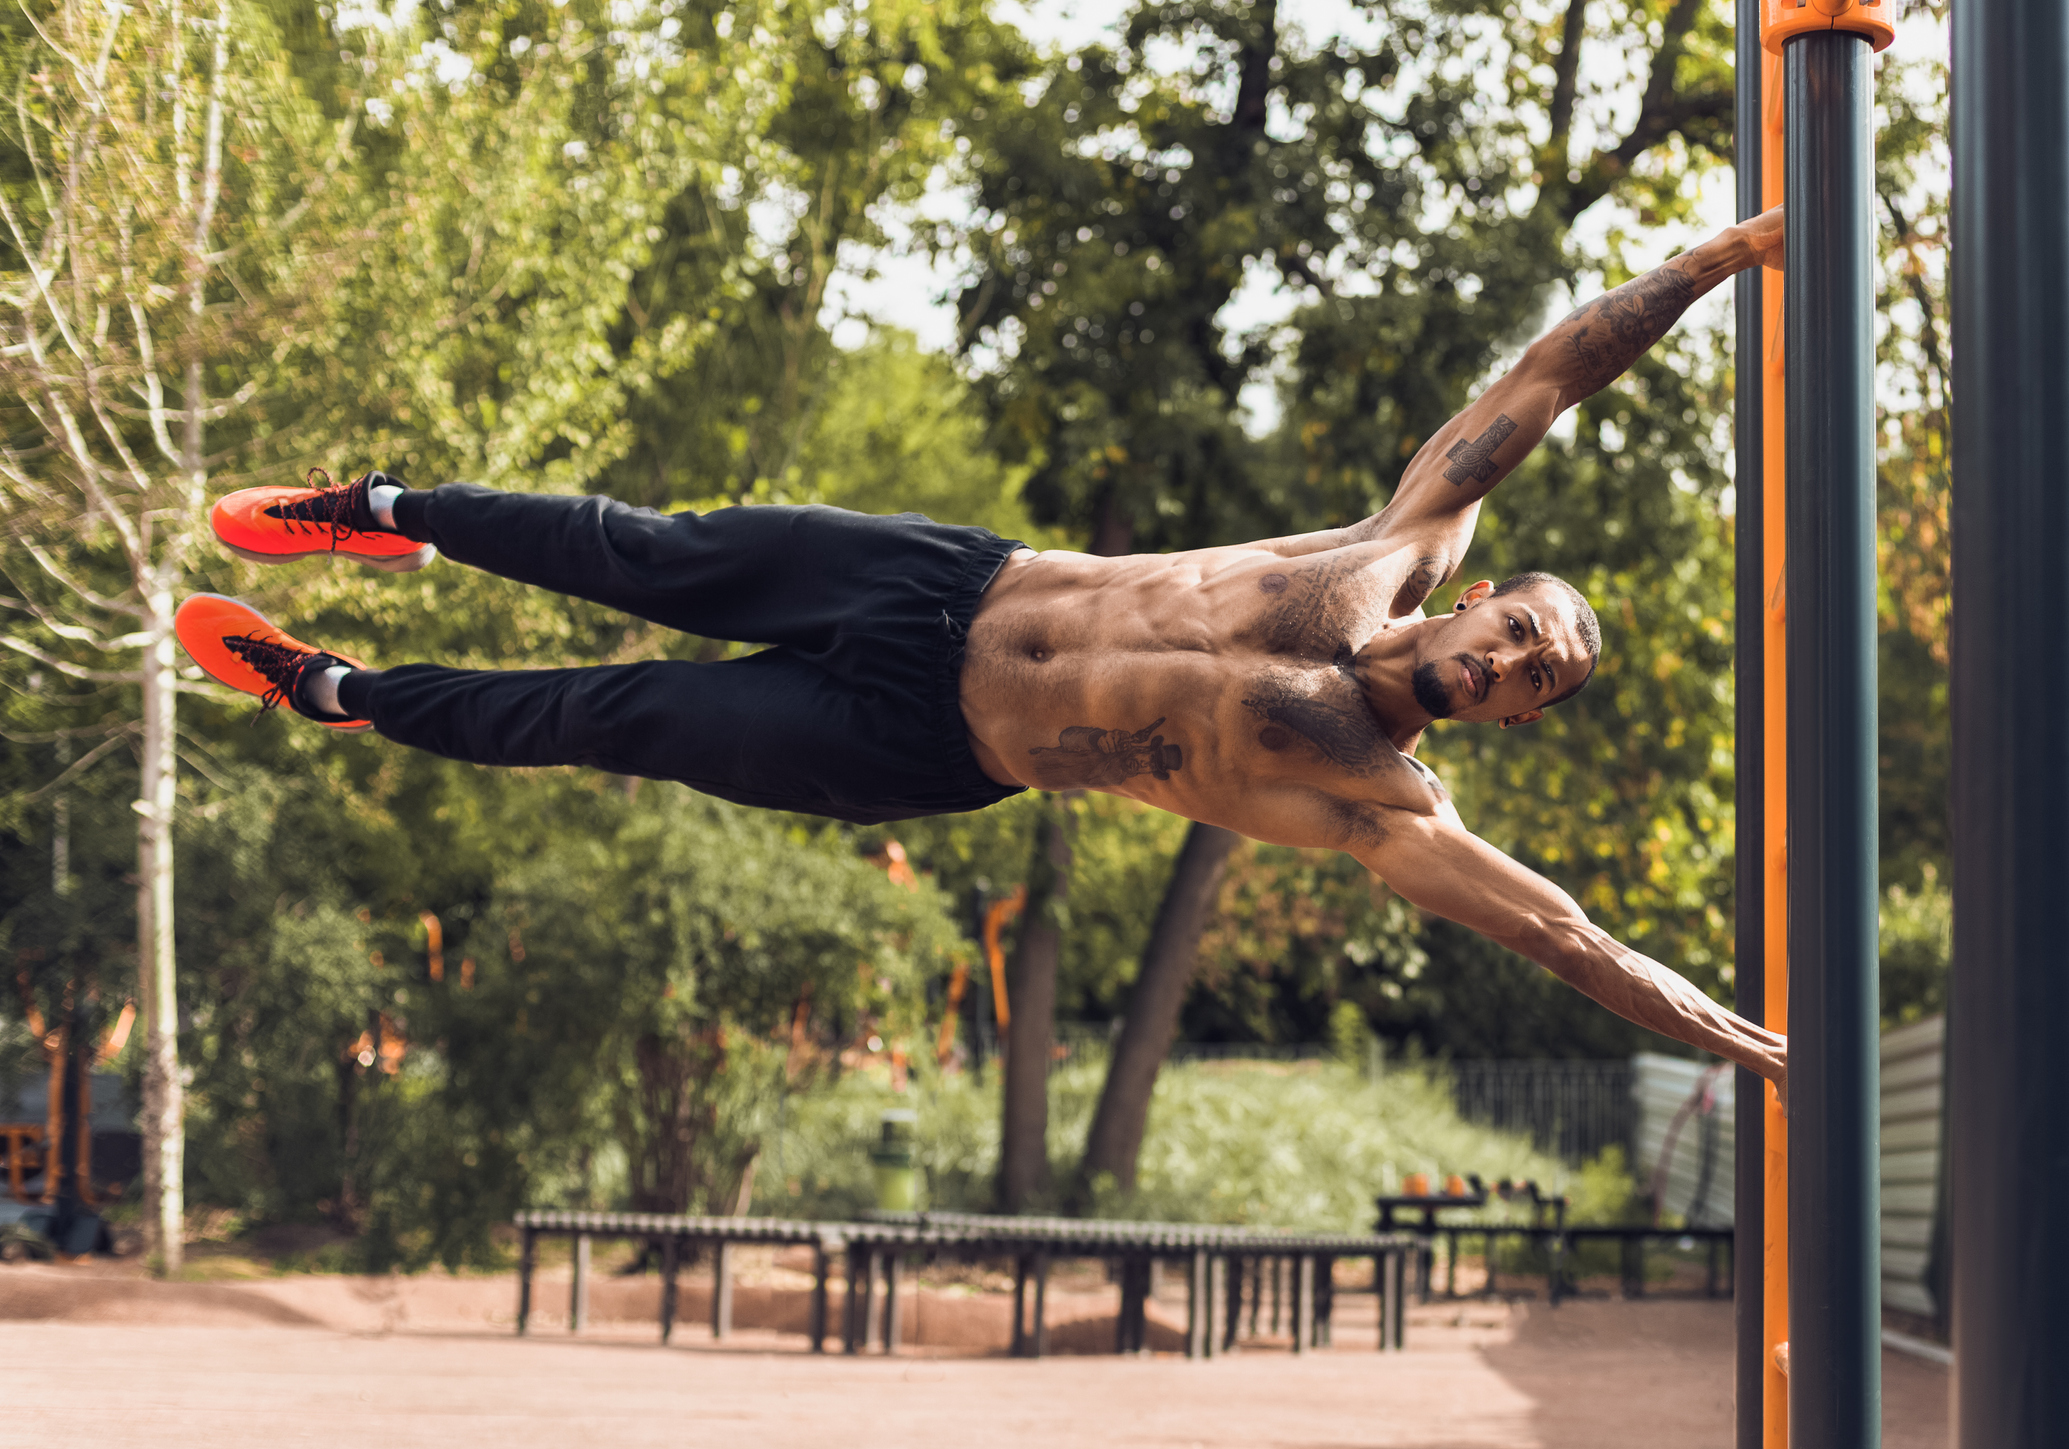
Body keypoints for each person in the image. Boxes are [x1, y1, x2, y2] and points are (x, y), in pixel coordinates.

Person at [179, 206, 1790, 1096]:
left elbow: (1569, 940)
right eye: (1515, 632)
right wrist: (1717, 261)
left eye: (1531, 681)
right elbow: (1548, 377)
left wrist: (1753, 1047)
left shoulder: (1384, 803)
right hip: (933, 581)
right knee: (643, 549)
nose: (1505, 665)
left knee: (619, 714)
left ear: (1507, 715)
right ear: (1475, 596)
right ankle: (381, 507)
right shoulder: (1388, 546)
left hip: (922, 749)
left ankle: (334, 688)